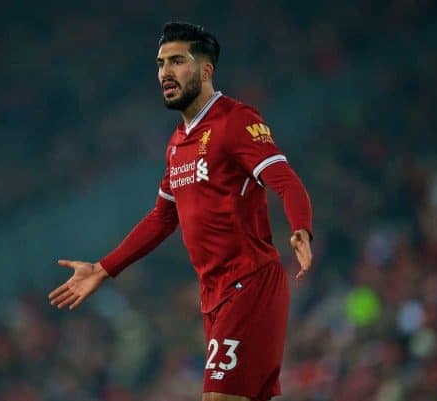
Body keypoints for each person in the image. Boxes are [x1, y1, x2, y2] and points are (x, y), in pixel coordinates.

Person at [49, 22, 313, 401]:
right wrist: (104, 268)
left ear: (206, 70)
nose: (165, 73)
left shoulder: (236, 121)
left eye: (177, 61)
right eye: (160, 64)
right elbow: (162, 216)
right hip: (215, 295)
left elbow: (285, 180)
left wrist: (301, 228)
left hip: (249, 283)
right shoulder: (177, 142)